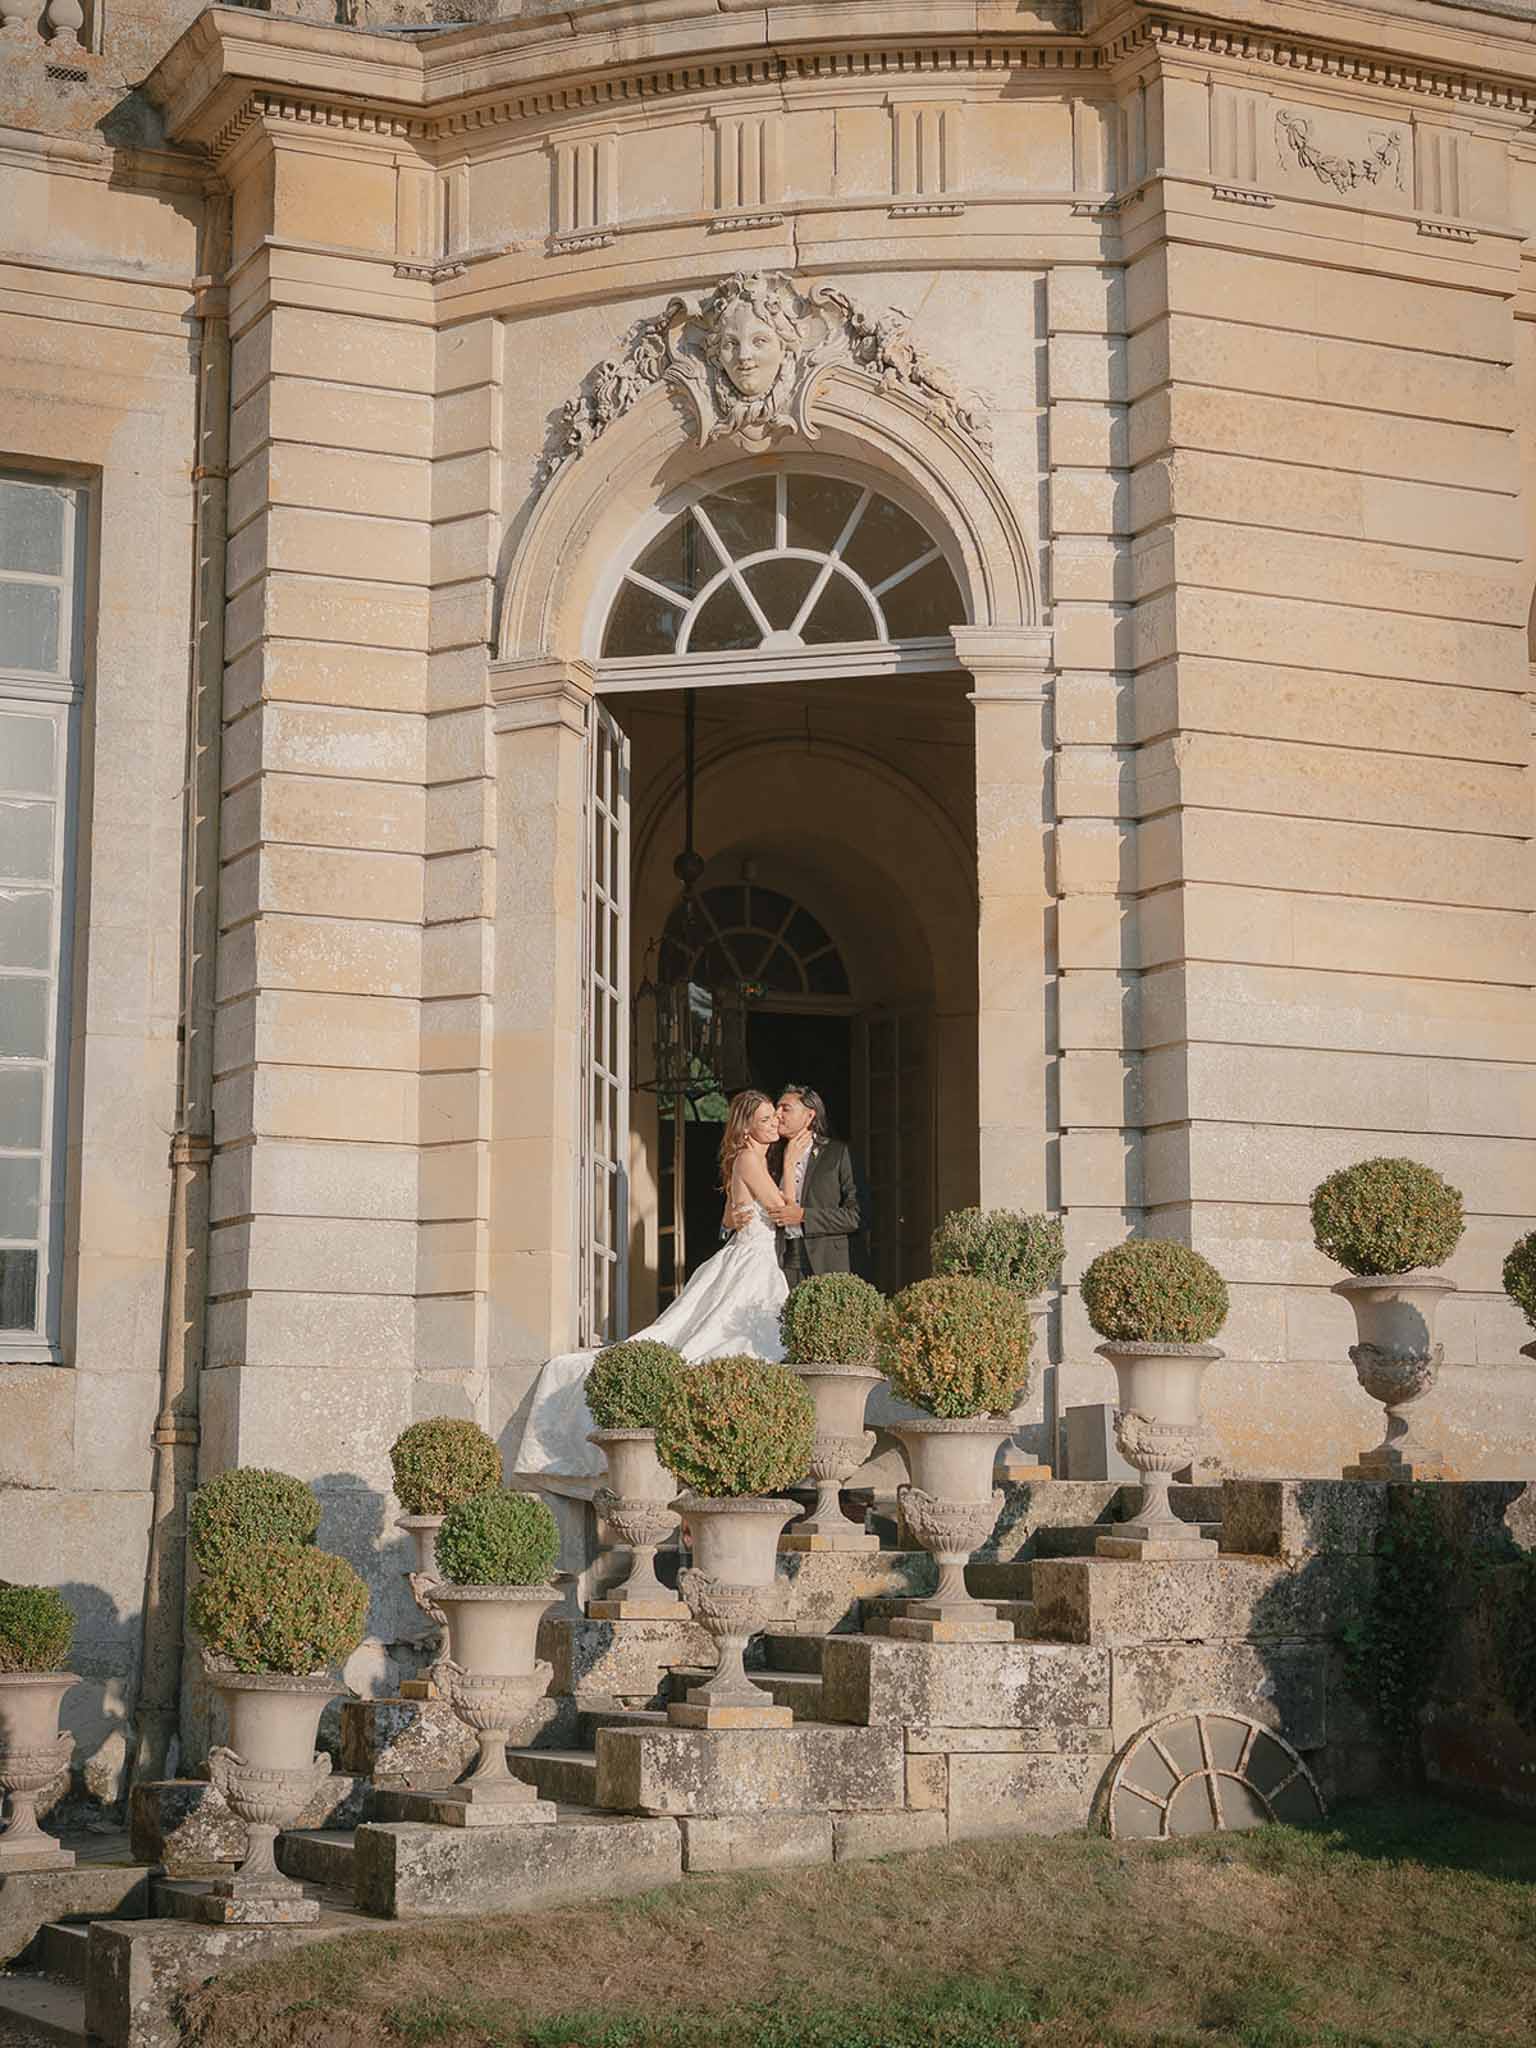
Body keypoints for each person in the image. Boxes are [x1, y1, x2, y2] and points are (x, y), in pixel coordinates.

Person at [512, 1090, 790, 1481]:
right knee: (723, 1342)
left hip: (750, 1255)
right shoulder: (750, 1159)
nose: (773, 1122)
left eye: (773, 1117)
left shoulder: (748, 1159)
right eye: (764, 1119)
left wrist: (734, 1216)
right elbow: (781, 1210)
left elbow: (732, 1216)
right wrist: (794, 1158)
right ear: (747, 1127)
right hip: (753, 1261)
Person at [726, 1083, 864, 1287]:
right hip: (778, 1260)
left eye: (785, 1108)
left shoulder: (838, 1154)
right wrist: (729, 1221)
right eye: (775, 1110)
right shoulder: (767, 1154)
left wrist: (803, 1216)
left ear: (810, 1115)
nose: (777, 1116)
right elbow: (735, 1205)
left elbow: (856, 1216)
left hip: (826, 1262)